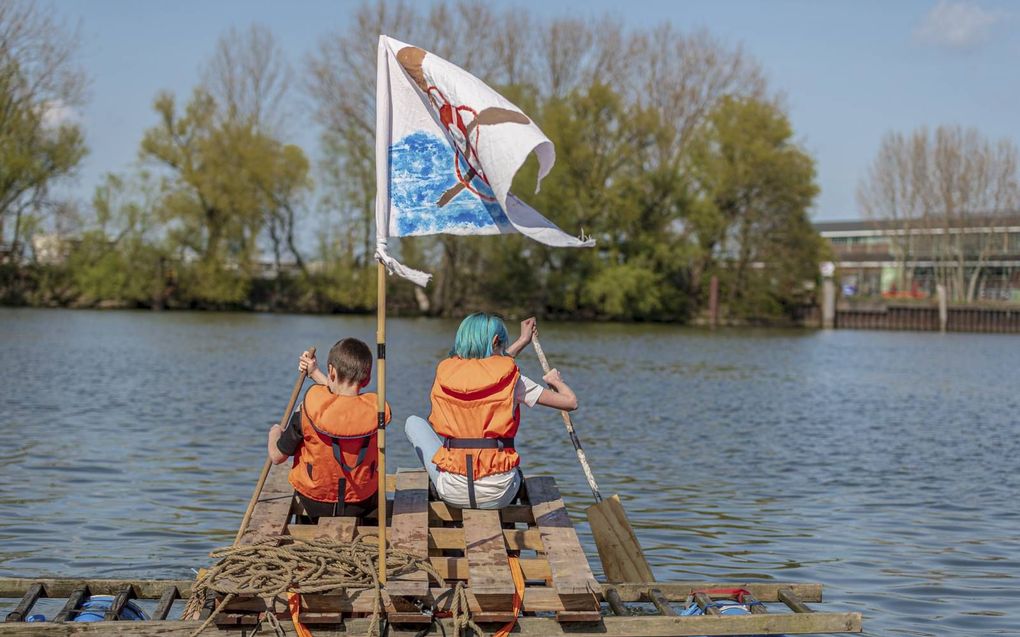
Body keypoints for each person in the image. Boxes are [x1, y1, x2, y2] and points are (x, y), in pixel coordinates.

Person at [404, 313, 578, 509]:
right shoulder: (516, 382)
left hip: (452, 492)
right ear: (497, 341)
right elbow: (570, 402)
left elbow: (491, 368)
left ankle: (445, 480)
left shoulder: (444, 376)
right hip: (499, 494)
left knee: (413, 422)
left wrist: (522, 341)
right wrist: (556, 381)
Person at [267, 338, 390, 520]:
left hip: (315, 503)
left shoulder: (307, 410)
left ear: (331, 371)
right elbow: (344, 402)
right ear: (368, 378)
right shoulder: (376, 412)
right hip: (360, 503)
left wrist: (275, 433)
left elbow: (277, 457)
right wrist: (315, 372)